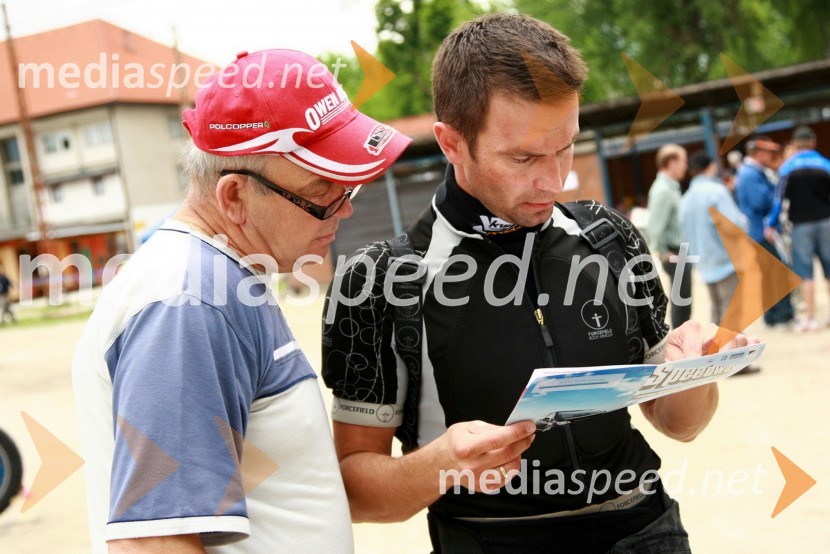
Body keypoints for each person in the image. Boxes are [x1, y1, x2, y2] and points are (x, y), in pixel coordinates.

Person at [322, 14, 752, 553]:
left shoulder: (609, 236)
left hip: (645, 528)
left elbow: (679, 425)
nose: (553, 180)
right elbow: (356, 491)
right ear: (451, 143)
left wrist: (696, 371)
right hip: (489, 541)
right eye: (522, 157)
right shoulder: (380, 279)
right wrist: (439, 466)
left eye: (565, 148)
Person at [72, 49, 410, 553]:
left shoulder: (221, 279)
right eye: (324, 190)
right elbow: (156, 543)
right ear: (234, 197)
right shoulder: (191, 303)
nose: (345, 207)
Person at [678, 152, 759, 375]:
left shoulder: (685, 199)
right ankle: (734, 363)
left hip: (704, 261)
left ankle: (715, 357)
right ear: (711, 167)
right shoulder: (716, 191)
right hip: (725, 260)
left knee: (717, 312)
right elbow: (735, 224)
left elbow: (683, 233)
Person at [765, 125, 830, 332]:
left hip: (800, 225)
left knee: (805, 272)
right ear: (813, 142)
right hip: (826, 222)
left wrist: (771, 224)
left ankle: (810, 318)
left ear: (794, 144)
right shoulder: (825, 164)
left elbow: (778, 201)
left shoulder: (787, 168)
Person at [735, 136, 795, 327]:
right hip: (761, 233)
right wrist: (777, 191)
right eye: (769, 153)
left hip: (760, 232)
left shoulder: (753, 172)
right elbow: (761, 201)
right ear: (758, 153)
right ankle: (781, 315)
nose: (772, 157)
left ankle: (776, 315)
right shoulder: (749, 174)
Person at [647, 143, 693, 329]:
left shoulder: (671, 187)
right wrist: (664, 252)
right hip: (673, 252)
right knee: (681, 302)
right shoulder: (663, 190)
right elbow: (655, 226)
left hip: (679, 250)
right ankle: (680, 342)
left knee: (684, 300)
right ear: (672, 163)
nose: (686, 166)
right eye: (683, 161)